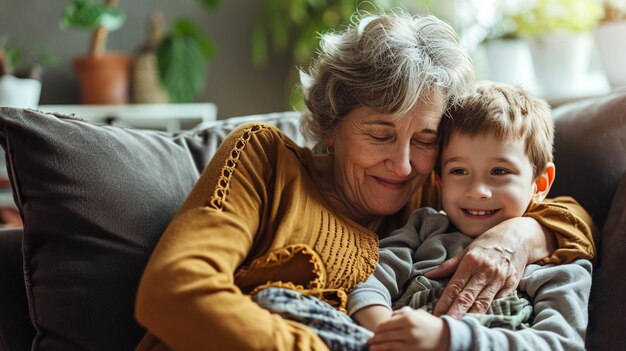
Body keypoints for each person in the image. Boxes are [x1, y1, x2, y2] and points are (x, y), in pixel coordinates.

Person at [134, 9, 595, 351]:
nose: (402, 164)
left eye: (425, 139)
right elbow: (174, 292)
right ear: (332, 124)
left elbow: (570, 219)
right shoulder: (267, 161)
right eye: (380, 134)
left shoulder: (438, 189)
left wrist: (519, 233)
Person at [250, 82, 592, 351]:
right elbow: (371, 276)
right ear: (439, 180)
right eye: (460, 171)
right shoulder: (424, 227)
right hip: (380, 341)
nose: (478, 191)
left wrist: (447, 339)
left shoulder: (558, 264)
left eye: (499, 171)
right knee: (277, 300)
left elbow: (560, 343)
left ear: (541, 183)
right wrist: (380, 328)